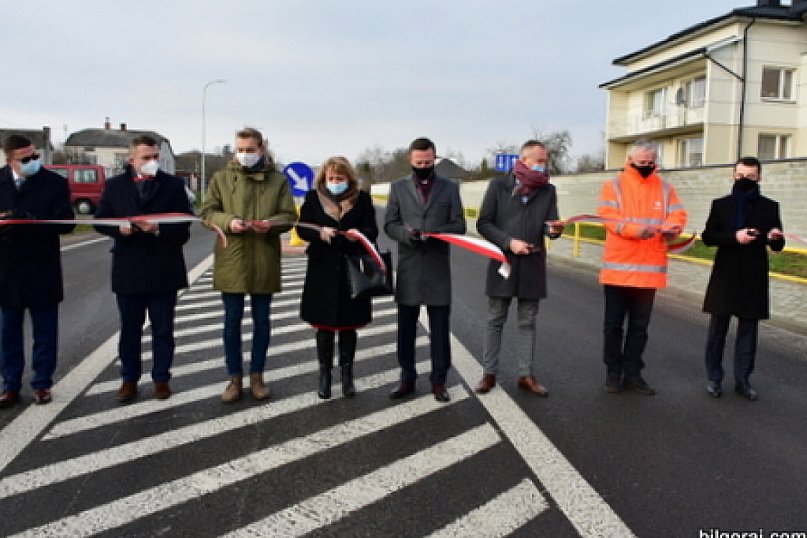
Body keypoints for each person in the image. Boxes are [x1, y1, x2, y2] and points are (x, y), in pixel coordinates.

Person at [94, 135, 193, 404]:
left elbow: (184, 226)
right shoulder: (115, 186)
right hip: (129, 269)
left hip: (163, 269)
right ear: (132, 159)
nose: (152, 162)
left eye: (155, 157)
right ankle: (129, 380)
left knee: (163, 329)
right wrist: (119, 229)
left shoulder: (172, 185)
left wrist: (159, 228)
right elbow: (100, 221)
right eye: (146, 158)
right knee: (129, 329)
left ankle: (161, 378)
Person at [200, 127, 295, 403]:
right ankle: (234, 378)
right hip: (232, 258)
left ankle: (257, 376)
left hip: (264, 257)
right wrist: (228, 221)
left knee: (262, 322)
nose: (244, 155)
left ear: (262, 148)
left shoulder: (277, 180)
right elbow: (206, 213)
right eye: (240, 150)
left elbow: (289, 215)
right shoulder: (221, 178)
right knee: (231, 322)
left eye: (250, 149)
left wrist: (272, 225)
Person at [598, 139, 687, 395]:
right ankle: (613, 373)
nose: (646, 167)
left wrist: (673, 227)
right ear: (629, 161)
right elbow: (609, 219)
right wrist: (638, 230)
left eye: (650, 163)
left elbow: (678, 214)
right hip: (619, 269)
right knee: (613, 326)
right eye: (642, 163)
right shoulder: (613, 186)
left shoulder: (665, 188)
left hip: (649, 271)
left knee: (639, 329)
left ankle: (633, 374)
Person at [475, 140, 563, 397]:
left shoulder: (548, 190)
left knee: (528, 322)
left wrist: (553, 230)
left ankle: (526, 375)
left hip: (533, 264)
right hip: (504, 262)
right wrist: (508, 242)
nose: (543, 165)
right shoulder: (498, 186)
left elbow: (549, 224)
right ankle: (489, 373)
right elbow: (483, 223)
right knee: (495, 319)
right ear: (523, 161)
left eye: (545, 161)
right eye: (538, 160)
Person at [383, 137, 466, 403]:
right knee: (405, 328)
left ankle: (439, 381)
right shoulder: (397, 188)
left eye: (428, 162)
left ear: (435, 159)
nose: (423, 166)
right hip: (409, 266)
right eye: (419, 163)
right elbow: (390, 224)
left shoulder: (450, 189)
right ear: (410, 160)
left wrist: (436, 234)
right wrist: (408, 236)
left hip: (437, 266)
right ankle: (407, 377)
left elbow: (460, 225)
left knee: (440, 329)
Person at [0, 134, 75, 407]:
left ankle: (42, 383)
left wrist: (33, 222)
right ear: (10, 160)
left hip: (42, 267)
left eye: (35, 156)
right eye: (26, 159)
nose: (33, 161)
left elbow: (67, 222)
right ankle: (10, 384)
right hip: (6, 270)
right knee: (7, 332)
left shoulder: (54, 183)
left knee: (45, 331)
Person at [701, 157, 784, 401]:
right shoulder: (720, 205)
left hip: (753, 276)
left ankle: (743, 380)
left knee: (748, 332)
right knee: (718, 331)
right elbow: (709, 236)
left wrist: (776, 237)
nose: (744, 180)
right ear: (733, 176)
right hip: (725, 276)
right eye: (740, 176)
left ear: (759, 177)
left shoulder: (770, 207)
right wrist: (735, 237)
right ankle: (714, 378)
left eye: (750, 176)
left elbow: (777, 243)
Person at [296, 156, 378, 399]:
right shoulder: (312, 199)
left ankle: (347, 375)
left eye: (339, 178)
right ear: (324, 178)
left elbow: (373, 229)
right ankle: (324, 375)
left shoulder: (362, 199)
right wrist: (320, 232)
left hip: (352, 269)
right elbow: (302, 228)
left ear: (348, 178)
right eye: (331, 178)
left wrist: (359, 234)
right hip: (322, 270)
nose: (335, 182)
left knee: (348, 327)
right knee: (323, 327)